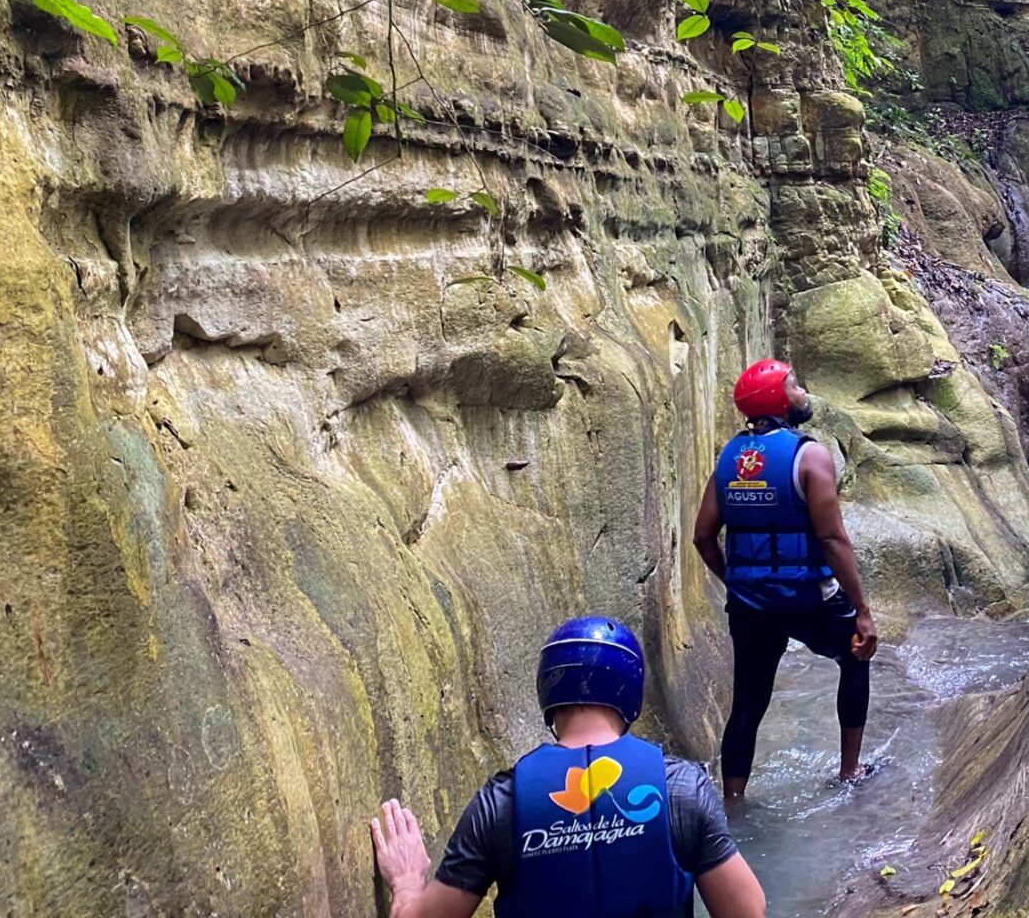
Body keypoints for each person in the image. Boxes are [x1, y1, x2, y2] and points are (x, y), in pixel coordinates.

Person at [369, 615, 767, 918]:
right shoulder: (681, 789)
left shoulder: (500, 803)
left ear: (548, 694)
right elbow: (748, 911)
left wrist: (405, 885)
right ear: (631, 692)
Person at [692, 357, 879, 799]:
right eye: (794, 386)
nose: (802, 393)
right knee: (855, 656)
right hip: (807, 595)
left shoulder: (729, 458)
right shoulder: (809, 455)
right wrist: (864, 612)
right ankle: (849, 771)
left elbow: (703, 537)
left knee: (748, 704)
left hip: (751, 603)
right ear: (777, 400)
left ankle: (732, 802)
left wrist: (735, 582)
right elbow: (832, 538)